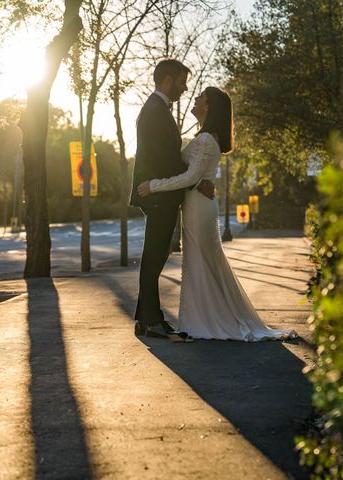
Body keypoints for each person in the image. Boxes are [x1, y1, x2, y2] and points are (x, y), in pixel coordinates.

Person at [138, 87, 295, 341]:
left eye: (201, 97)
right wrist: (199, 182)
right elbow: (191, 172)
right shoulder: (204, 137)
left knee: (202, 261)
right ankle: (203, 318)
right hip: (198, 202)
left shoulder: (206, 139)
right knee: (201, 262)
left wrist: (152, 185)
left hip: (199, 208)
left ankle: (210, 320)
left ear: (209, 107)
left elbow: (189, 175)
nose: (196, 99)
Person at [130, 59, 214, 340]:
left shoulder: (156, 109)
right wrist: (192, 179)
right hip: (157, 195)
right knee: (154, 256)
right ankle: (151, 321)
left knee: (156, 255)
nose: (185, 87)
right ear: (167, 80)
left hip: (159, 192)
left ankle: (146, 319)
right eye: (181, 81)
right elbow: (164, 160)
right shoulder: (155, 111)